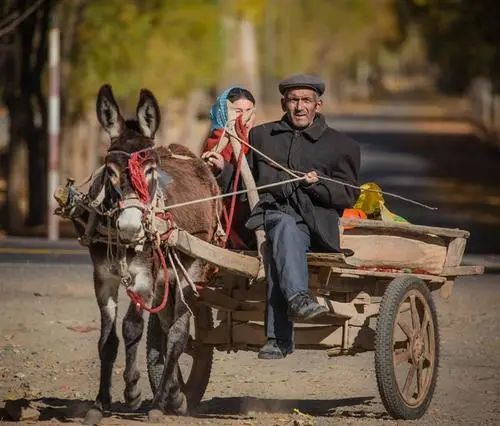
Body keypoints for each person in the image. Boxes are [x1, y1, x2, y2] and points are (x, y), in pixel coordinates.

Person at [210, 75, 360, 359]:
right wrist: (223, 170)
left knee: (284, 235)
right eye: (293, 100)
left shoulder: (342, 146)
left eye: (306, 100)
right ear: (283, 103)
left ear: (319, 104)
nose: (299, 107)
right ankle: (298, 299)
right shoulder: (261, 137)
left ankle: (279, 338)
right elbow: (245, 186)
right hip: (270, 217)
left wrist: (318, 185)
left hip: (315, 226)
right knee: (282, 226)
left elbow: (347, 196)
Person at [201, 87, 257, 248]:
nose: (244, 117)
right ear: (224, 112)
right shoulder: (217, 140)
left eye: (248, 111)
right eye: (237, 111)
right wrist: (221, 168)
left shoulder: (258, 138)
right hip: (226, 212)